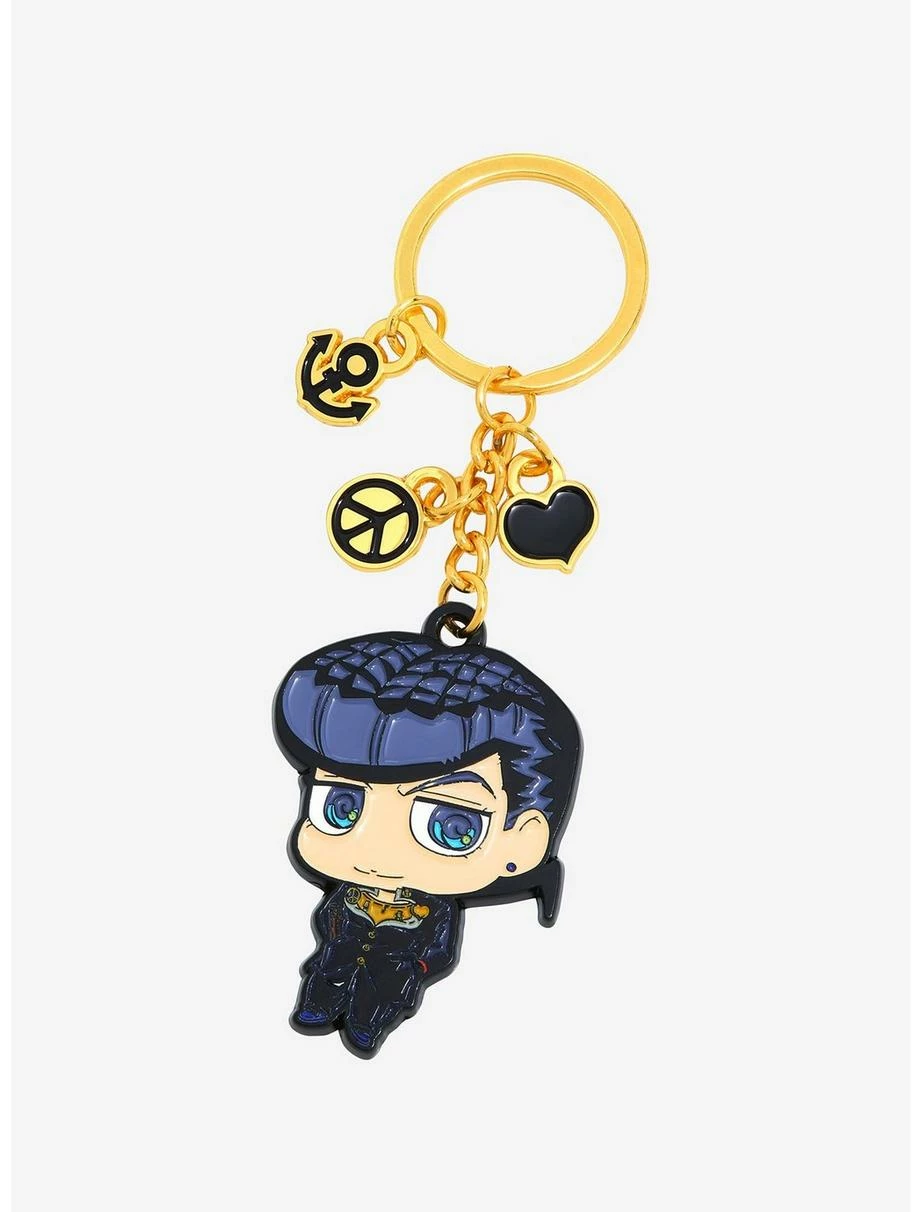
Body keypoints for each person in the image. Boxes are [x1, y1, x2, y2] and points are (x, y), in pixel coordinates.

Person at [273, 609, 581, 1057]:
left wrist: (416, 965)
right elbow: (329, 914)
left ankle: (365, 1024)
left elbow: (440, 945)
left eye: (451, 827)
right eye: (342, 808)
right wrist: (335, 933)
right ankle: (318, 1007)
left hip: (394, 971)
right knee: (324, 982)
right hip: (336, 954)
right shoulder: (349, 890)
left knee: (376, 1003)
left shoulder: (434, 907)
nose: (375, 853)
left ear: (522, 840)